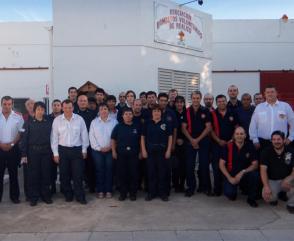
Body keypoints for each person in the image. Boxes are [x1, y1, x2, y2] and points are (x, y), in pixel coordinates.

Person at [51, 99, 89, 204]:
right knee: (64, 174)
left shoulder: (79, 119)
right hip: (63, 150)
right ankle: (68, 194)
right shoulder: (57, 120)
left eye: (70, 107)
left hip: (77, 150)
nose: (68, 109)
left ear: (73, 108)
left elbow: (84, 135)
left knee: (78, 174)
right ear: (62, 108)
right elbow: (54, 138)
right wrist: (55, 153)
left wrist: (84, 149)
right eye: (65, 107)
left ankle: (80, 196)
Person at [20, 102, 53, 206]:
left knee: (45, 175)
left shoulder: (49, 122)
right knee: (33, 176)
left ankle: (45, 195)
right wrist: (24, 154)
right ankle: (33, 197)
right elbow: (24, 139)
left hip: (46, 152)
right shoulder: (28, 123)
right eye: (38, 109)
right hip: (32, 152)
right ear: (34, 111)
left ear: (44, 111)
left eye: (42, 109)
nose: (40, 111)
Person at [219, 127, 259, 207]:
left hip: (244, 175)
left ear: (245, 135)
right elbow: (221, 164)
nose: (239, 136)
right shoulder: (228, 146)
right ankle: (235, 189)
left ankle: (251, 199)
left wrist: (242, 172)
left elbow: (255, 164)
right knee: (230, 194)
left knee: (255, 175)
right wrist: (230, 178)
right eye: (237, 134)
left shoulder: (250, 146)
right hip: (231, 175)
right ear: (234, 135)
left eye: (241, 134)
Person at [182, 91, 212, 197]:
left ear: (200, 98)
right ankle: (191, 187)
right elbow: (183, 127)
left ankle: (205, 187)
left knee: (204, 165)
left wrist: (197, 140)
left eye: (197, 98)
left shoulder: (205, 111)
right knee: (189, 166)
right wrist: (192, 140)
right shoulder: (187, 111)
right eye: (194, 98)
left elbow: (208, 127)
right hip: (190, 141)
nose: (195, 100)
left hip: (203, 140)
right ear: (191, 99)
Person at [141, 104, 172, 201]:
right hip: (150, 152)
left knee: (162, 173)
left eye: (158, 111)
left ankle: (162, 193)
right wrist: (143, 150)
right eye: (154, 111)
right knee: (151, 173)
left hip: (162, 152)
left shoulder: (166, 123)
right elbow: (142, 137)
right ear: (152, 112)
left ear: (161, 112)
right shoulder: (147, 123)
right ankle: (152, 193)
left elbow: (170, 137)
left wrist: (168, 150)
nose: (156, 113)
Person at [249, 85, 294, 152]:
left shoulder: (285, 106)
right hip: (263, 143)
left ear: (276, 93)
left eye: (272, 92)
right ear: (265, 94)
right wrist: (254, 139)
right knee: (264, 162)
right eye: (268, 92)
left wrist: (291, 137)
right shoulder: (259, 107)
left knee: (280, 162)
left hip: (281, 142)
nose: (270, 94)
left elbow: (293, 122)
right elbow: (253, 124)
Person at [211, 94, 239, 195]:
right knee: (216, 167)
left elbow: (236, 127)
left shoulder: (233, 113)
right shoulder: (212, 113)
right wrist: (218, 140)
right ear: (216, 103)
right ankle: (217, 189)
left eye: (223, 101)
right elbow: (210, 129)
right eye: (219, 101)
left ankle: (228, 186)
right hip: (217, 144)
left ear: (226, 101)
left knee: (230, 166)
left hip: (231, 144)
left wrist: (232, 139)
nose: (221, 103)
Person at [260, 131, 294, 213]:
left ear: (284, 140)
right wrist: (266, 186)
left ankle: (291, 204)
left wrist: (288, 178)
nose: (276, 141)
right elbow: (263, 170)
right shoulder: (266, 152)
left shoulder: (290, 151)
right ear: (271, 141)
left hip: (287, 180)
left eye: (279, 139)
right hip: (273, 180)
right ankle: (278, 195)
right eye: (274, 139)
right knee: (268, 197)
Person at [111, 108, 141, 201]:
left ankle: (133, 193)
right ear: (122, 116)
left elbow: (141, 140)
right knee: (122, 174)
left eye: (130, 114)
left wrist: (140, 152)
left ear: (132, 115)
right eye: (126, 114)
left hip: (134, 155)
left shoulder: (137, 126)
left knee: (133, 174)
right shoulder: (118, 126)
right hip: (121, 154)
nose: (128, 116)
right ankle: (123, 193)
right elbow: (113, 139)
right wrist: (113, 151)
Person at [89, 103, 117, 199]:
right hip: (97, 151)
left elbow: (116, 137)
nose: (103, 111)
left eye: (105, 109)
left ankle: (108, 190)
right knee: (99, 170)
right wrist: (99, 148)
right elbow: (91, 137)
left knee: (109, 170)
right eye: (101, 109)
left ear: (108, 110)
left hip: (110, 150)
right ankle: (100, 190)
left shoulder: (114, 122)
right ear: (99, 111)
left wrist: (110, 147)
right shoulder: (94, 122)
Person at [0, 96, 24, 203]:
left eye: (9, 104)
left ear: (12, 104)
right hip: (0, 148)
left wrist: (12, 143)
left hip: (13, 149)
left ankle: (14, 197)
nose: (7, 106)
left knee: (13, 174)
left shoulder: (18, 117)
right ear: (1, 104)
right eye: (5, 104)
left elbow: (20, 132)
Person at [75, 94, 96, 193]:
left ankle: (91, 186)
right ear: (77, 102)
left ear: (87, 102)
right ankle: (80, 186)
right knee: (79, 167)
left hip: (90, 144)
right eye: (81, 100)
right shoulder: (73, 113)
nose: (83, 102)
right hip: (78, 145)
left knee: (90, 166)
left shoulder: (93, 113)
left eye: (84, 101)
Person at [47, 99, 62, 195]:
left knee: (64, 170)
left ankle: (64, 188)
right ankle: (52, 188)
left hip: (63, 147)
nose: (56, 107)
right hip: (50, 148)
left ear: (61, 107)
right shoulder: (47, 118)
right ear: (52, 107)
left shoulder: (64, 117)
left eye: (58, 105)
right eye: (54, 105)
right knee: (51, 170)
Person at [22, 98, 35, 201]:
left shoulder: (41, 116)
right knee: (27, 174)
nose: (31, 106)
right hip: (26, 150)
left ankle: (37, 192)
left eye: (33, 104)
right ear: (26, 107)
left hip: (39, 151)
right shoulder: (23, 118)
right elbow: (21, 135)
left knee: (38, 173)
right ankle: (28, 194)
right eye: (29, 104)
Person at [173, 96, 186, 193]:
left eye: (181, 102)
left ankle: (182, 185)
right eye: (177, 102)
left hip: (185, 143)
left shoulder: (187, 113)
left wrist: (183, 140)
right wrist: (176, 140)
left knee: (183, 166)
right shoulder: (172, 113)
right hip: (174, 143)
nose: (179, 104)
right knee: (175, 166)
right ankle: (176, 185)